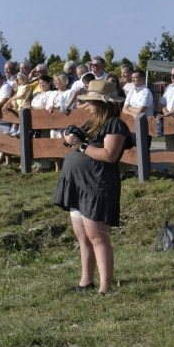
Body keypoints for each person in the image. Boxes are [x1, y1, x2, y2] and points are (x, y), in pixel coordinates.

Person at [52, 79, 133, 296]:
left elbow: (109, 155)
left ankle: (105, 288)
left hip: (97, 186)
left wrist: (81, 145)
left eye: (90, 101)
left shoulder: (115, 124)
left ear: (102, 103)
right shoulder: (92, 123)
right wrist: (72, 141)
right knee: (82, 236)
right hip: (79, 184)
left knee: (97, 236)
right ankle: (85, 282)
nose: (86, 105)